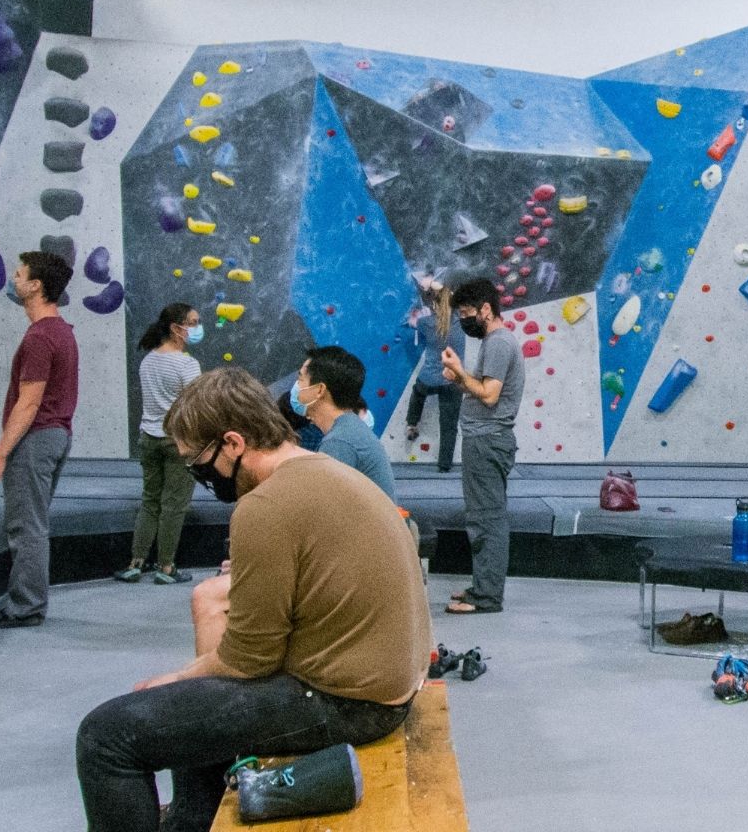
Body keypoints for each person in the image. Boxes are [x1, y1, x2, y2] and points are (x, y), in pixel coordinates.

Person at [75, 368, 431, 832]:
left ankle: (187, 815)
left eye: (197, 461)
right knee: (194, 708)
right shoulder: (328, 471)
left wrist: (176, 679)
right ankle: (192, 818)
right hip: (386, 686)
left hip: (353, 704)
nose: (199, 475)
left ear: (233, 442)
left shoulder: (264, 507)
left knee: (105, 737)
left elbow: (247, 661)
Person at [0, 250, 79, 628]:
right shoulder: (62, 332)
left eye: (19, 275)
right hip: (56, 435)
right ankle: (27, 602)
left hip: (36, 439)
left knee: (27, 527)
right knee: (33, 523)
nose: (13, 280)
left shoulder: (39, 337)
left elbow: (29, 401)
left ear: (35, 285)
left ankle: (25, 607)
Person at [441, 277, 524, 614]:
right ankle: (483, 587)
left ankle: (488, 596)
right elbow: (482, 389)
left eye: (466, 313)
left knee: (486, 519)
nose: (464, 320)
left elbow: (489, 396)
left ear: (486, 310)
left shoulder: (499, 343)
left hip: (487, 440)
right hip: (486, 439)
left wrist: (462, 373)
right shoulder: (494, 342)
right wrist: (459, 378)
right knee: (484, 516)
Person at [119, 303, 202, 585]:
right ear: (176, 328)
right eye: (192, 322)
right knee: (174, 505)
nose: (196, 327)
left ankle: (135, 562)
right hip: (178, 442)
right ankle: (166, 567)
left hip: (149, 439)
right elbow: (195, 406)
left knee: (150, 501)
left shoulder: (148, 360)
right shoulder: (187, 364)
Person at [294, 345, 398, 499]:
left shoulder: (339, 442)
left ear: (319, 390)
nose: (296, 386)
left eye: (300, 379)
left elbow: (320, 504)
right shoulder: (349, 429)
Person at [403, 278, 464, 472]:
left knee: (418, 392)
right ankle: (444, 465)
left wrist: (424, 293)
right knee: (449, 426)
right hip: (454, 379)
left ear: (434, 304)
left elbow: (409, 322)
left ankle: (412, 424)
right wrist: (438, 287)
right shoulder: (461, 320)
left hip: (429, 378)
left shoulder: (425, 322)